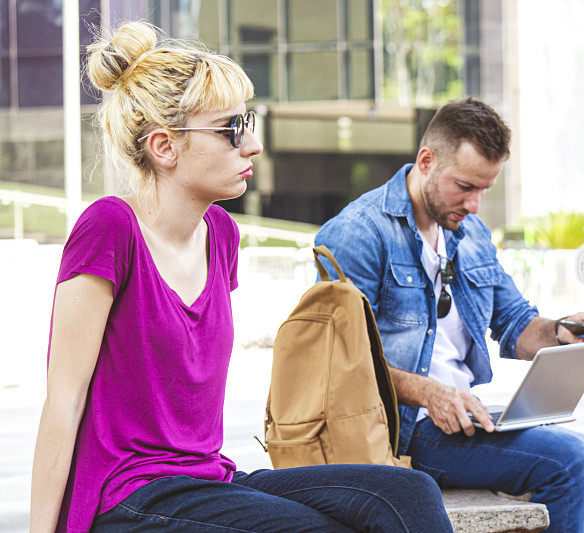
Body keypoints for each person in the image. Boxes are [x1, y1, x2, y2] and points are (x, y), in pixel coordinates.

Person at [29, 22, 451, 533]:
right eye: (230, 128)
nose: (251, 144)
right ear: (164, 147)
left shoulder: (221, 234)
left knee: (408, 493)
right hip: (128, 493)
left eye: (247, 121)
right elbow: (63, 401)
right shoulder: (109, 230)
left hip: (209, 479)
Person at [315, 98, 584, 533]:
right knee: (571, 462)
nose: (475, 205)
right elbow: (339, 362)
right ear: (426, 161)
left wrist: (562, 331)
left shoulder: (468, 231)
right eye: (464, 187)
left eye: (484, 190)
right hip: (402, 427)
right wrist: (429, 393)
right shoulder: (357, 233)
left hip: (460, 417)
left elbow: (515, 325)